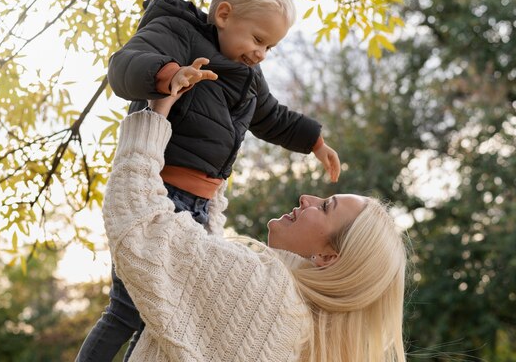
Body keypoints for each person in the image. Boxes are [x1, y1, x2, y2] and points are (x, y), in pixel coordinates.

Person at [77, 0, 341, 361]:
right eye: (257, 39)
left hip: (201, 209)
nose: (261, 54)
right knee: (128, 309)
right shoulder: (177, 33)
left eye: (270, 47)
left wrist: (314, 140)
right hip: (159, 194)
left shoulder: (249, 76)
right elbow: (126, 64)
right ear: (224, 15)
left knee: (169, 314)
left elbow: (270, 116)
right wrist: (169, 76)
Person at [93, 93, 408, 361]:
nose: (308, 198)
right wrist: (209, 179)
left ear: (328, 257)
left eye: (325, 207)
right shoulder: (301, 335)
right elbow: (206, 286)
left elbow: (140, 223)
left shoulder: (267, 293)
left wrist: (153, 114)